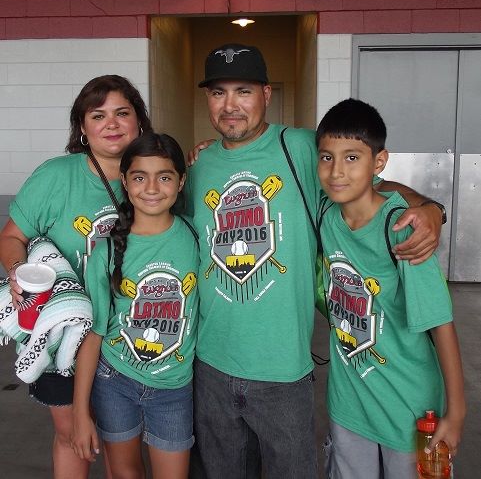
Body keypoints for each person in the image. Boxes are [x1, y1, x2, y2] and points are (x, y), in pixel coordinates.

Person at [185, 43, 445, 478]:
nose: (230, 106)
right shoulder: (199, 164)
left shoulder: (302, 148)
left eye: (243, 91)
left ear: (266, 94)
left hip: (282, 367)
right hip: (209, 361)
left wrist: (432, 210)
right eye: (218, 93)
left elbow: (372, 189)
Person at [0, 74, 152, 479]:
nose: (112, 123)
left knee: (125, 447)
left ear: (140, 121)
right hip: (62, 334)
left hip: (130, 336)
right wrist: (18, 273)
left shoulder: (154, 176)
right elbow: (12, 237)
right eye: (98, 115)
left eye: (123, 113)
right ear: (82, 127)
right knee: (73, 437)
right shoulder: (55, 176)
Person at [316, 98, 465, 478]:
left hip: (409, 409)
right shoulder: (327, 218)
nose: (336, 172)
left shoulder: (402, 228)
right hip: (349, 405)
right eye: (327, 158)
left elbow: (441, 324)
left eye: (352, 158)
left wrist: (457, 413)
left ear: (378, 163)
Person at [71, 132, 199, 479]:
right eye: (140, 177)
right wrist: (81, 413)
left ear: (181, 181)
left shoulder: (194, 236)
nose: (152, 187)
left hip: (173, 387)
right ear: (125, 182)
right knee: (126, 474)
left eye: (165, 177)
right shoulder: (108, 252)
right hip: (115, 381)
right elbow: (94, 336)